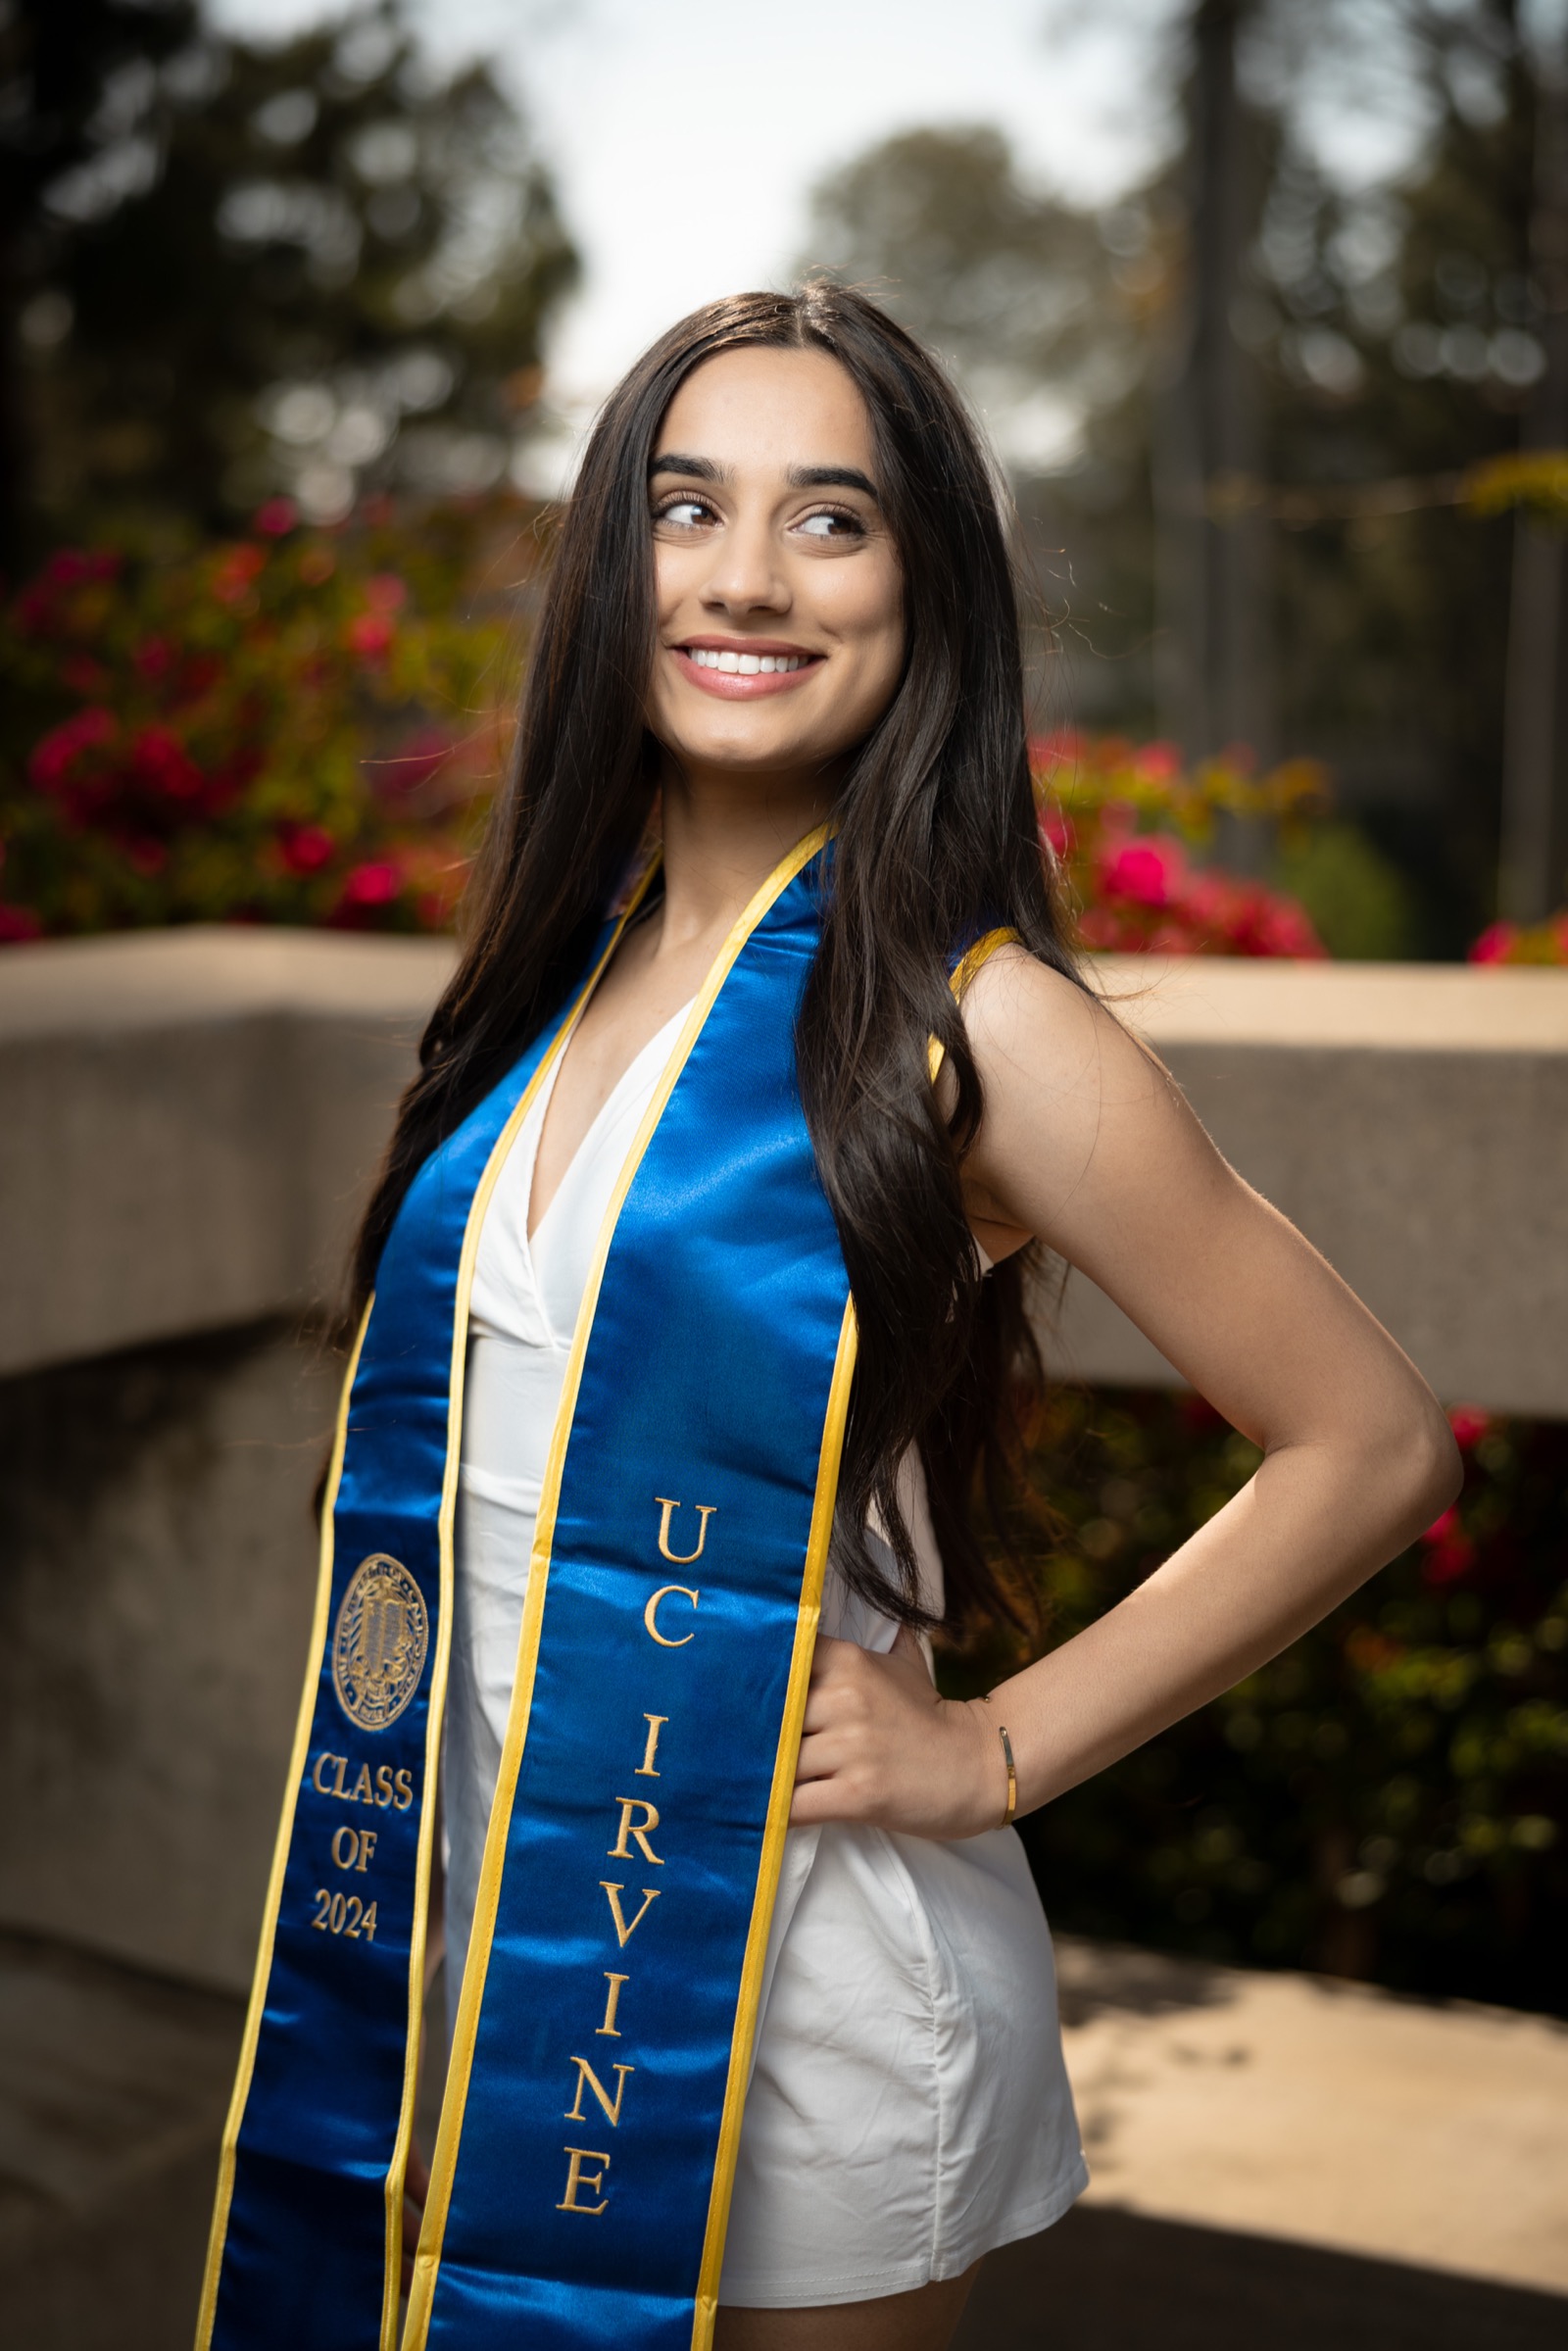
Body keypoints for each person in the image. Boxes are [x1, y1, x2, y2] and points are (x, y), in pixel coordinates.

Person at [200, 284, 1459, 2351]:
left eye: (831, 520)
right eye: (688, 508)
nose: (748, 578)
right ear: (615, 562)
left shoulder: (983, 1027)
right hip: (505, 1947)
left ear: (919, 586)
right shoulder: (549, 975)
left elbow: (1369, 1441)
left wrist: (990, 1750)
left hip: (799, 2001)